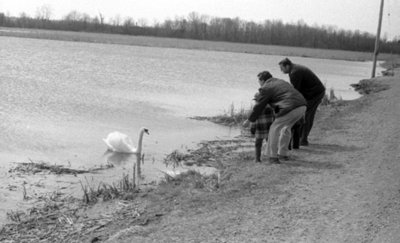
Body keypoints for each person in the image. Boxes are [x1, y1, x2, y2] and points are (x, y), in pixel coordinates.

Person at [243, 71, 307, 164]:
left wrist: (249, 120)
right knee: (286, 128)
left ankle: (272, 157)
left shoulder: (266, 87)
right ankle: (283, 154)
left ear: (262, 80)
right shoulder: (281, 82)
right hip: (302, 106)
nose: (259, 84)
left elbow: (259, 106)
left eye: (259, 81)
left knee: (274, 129)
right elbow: (281, 100)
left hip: (290, 107)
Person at [279, 58, 326, 146]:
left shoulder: (295, 72)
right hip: (312, 93)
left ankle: (303, 139)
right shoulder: (294, 69)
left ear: (287, 66)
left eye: (282, 68)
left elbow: (296, 92)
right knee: (306, 114)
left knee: (307, 115)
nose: (281, 70)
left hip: (315, 94)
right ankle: (301, 138)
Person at [250, 94, 275, 163]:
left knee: (258, 144)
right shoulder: (269, 107)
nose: (255, 102)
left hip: (260, 128)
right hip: (269, 128)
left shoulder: (256, 107)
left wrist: (252, 130)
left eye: (256, 100)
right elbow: (274, 117)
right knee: (270, 143)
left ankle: (257, 159)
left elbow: (253, 119)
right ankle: (271, 157)